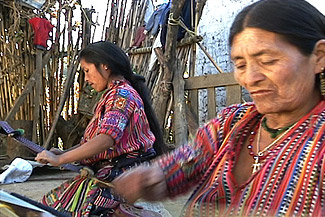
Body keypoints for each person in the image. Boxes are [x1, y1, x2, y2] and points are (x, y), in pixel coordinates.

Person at [112, 0, 325, 216]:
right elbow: (188, 161)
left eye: (268, 60)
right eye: (240, 65)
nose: (250, 78)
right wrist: (152, 177)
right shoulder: (232, 122)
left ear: (319, 57)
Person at [35, 41, 167, 216]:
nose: (87, 79)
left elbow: (106, 139)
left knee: (71, 207)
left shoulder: (122, 95)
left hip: (124, 174)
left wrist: (61, 159)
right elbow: (97, 141)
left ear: (105, 66)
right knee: (54, 202)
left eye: (87, 71)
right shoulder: (113, 94)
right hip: (114, 170)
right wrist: (64, 153)